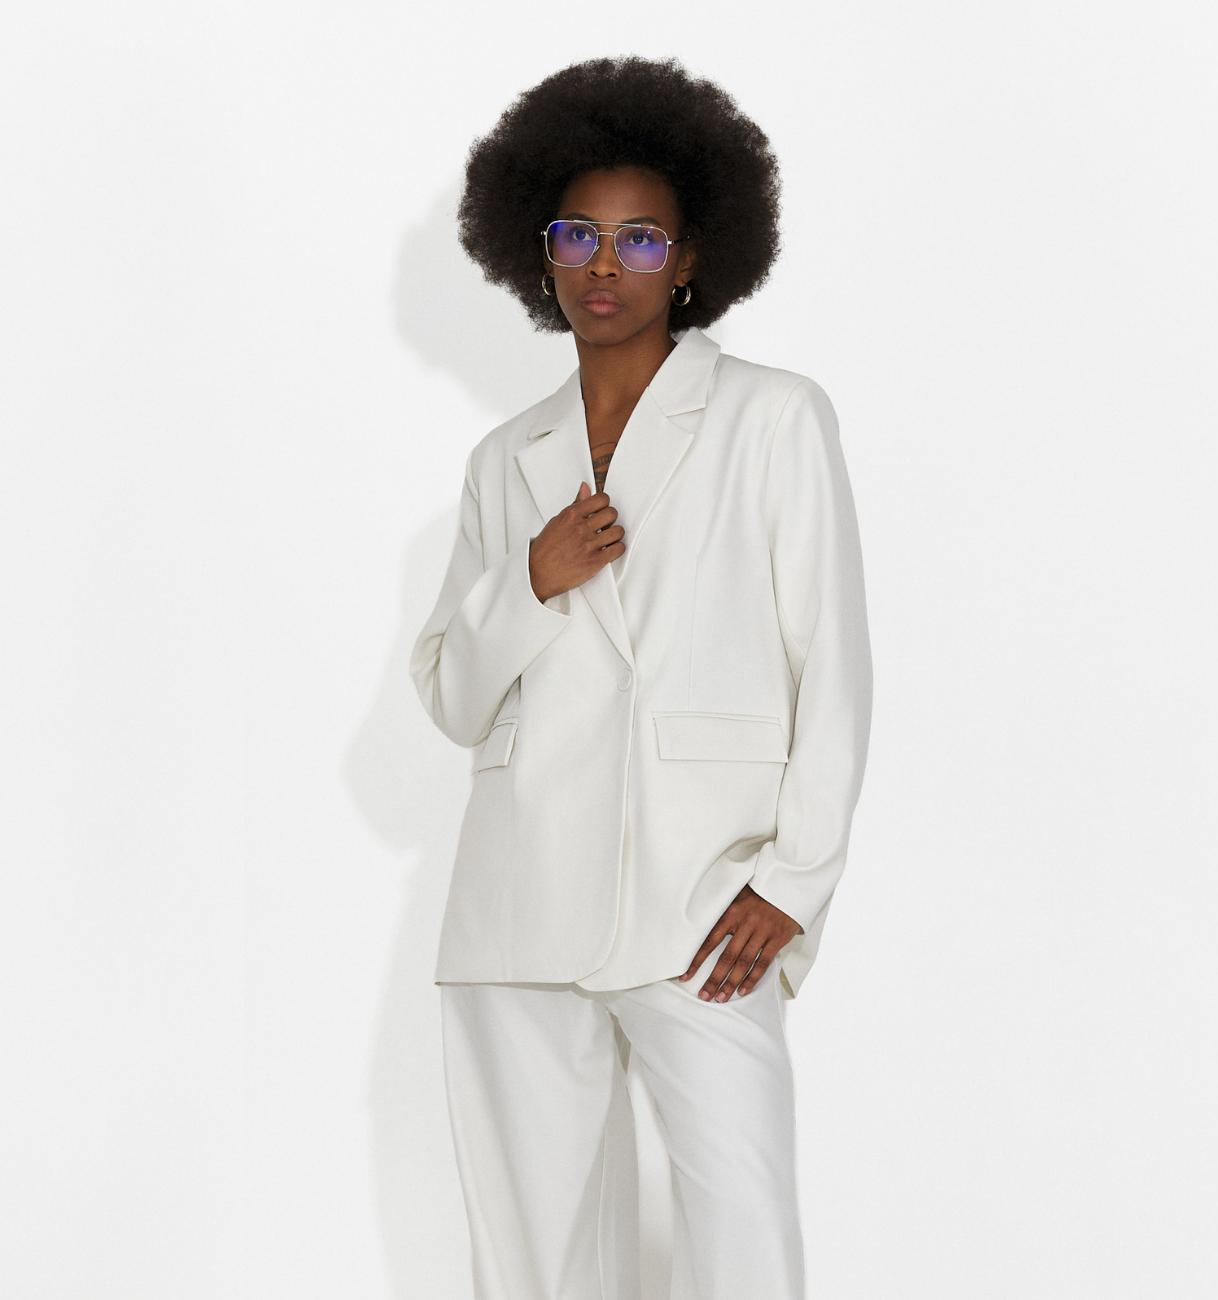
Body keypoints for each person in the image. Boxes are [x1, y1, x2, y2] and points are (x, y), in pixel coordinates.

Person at [410, 55, 872, 1300]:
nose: (604, 264)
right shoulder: (507, 458)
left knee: (741, 1233)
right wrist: (531, 578)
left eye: (640, 238)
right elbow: (452, 696)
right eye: (578, 234)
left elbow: (831, 663)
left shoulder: (773, 419)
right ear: (538, 251)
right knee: (535, 1260)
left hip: (703, 894)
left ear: (692, 259)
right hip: (520, 901)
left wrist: (792, 880)